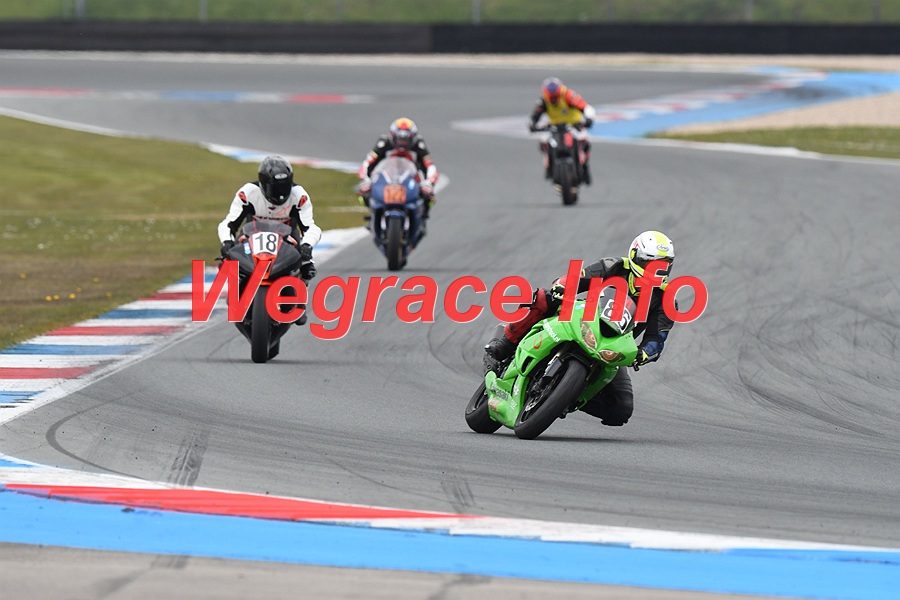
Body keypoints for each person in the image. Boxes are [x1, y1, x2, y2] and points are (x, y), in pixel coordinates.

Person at [484, 231, 676, 427]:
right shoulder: (615, 266)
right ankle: (505, 342)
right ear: (635, 257)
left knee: (621, 410)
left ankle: (567, 396)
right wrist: (562, 286)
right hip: (583, 319)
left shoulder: (666, 299)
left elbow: (657, 338)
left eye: (664, 265)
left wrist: (644, 354)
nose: (657, 271)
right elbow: (579, 278)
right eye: (652, 264)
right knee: (545, 298)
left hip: (610, 345)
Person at [217, 155, 322, 325]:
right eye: (275, 187)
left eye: (284, 187)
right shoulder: (247, 193)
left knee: (307, 266)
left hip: (287, 237)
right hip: (252, 235)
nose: (280, 194)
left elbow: (310, 227)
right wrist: (226, 242)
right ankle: (236, 294)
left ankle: (299, 300)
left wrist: (307, 245)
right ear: (263, 184)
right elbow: (229, 223)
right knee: (228, 261)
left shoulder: (299, 196)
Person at [357, 117, 440, 229]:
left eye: (405, 140)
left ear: (412, 138)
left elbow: (429, 165)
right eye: (400, 139)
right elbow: (368, 162)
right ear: (393, 136)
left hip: (411, 178)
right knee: (363, 193)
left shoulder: (419, 144)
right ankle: (373, 214)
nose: (402, 143)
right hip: (387, 178)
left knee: (429, 197)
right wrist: (365, 179)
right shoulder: (384, 142)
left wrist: (429, 183)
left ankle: (422, 217)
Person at [528, 77, 597, 185]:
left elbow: (586, 107)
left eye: (555, 96)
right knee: (543, 143)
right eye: (551, 97)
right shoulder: (543, 101)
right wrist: (533, 125)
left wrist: (589, 118)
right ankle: (549, 166)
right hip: (555, 128)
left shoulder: (569, 96)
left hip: (574, 126)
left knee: (585, 143)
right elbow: (535, 116)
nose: (553, 100)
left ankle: (585, 167)